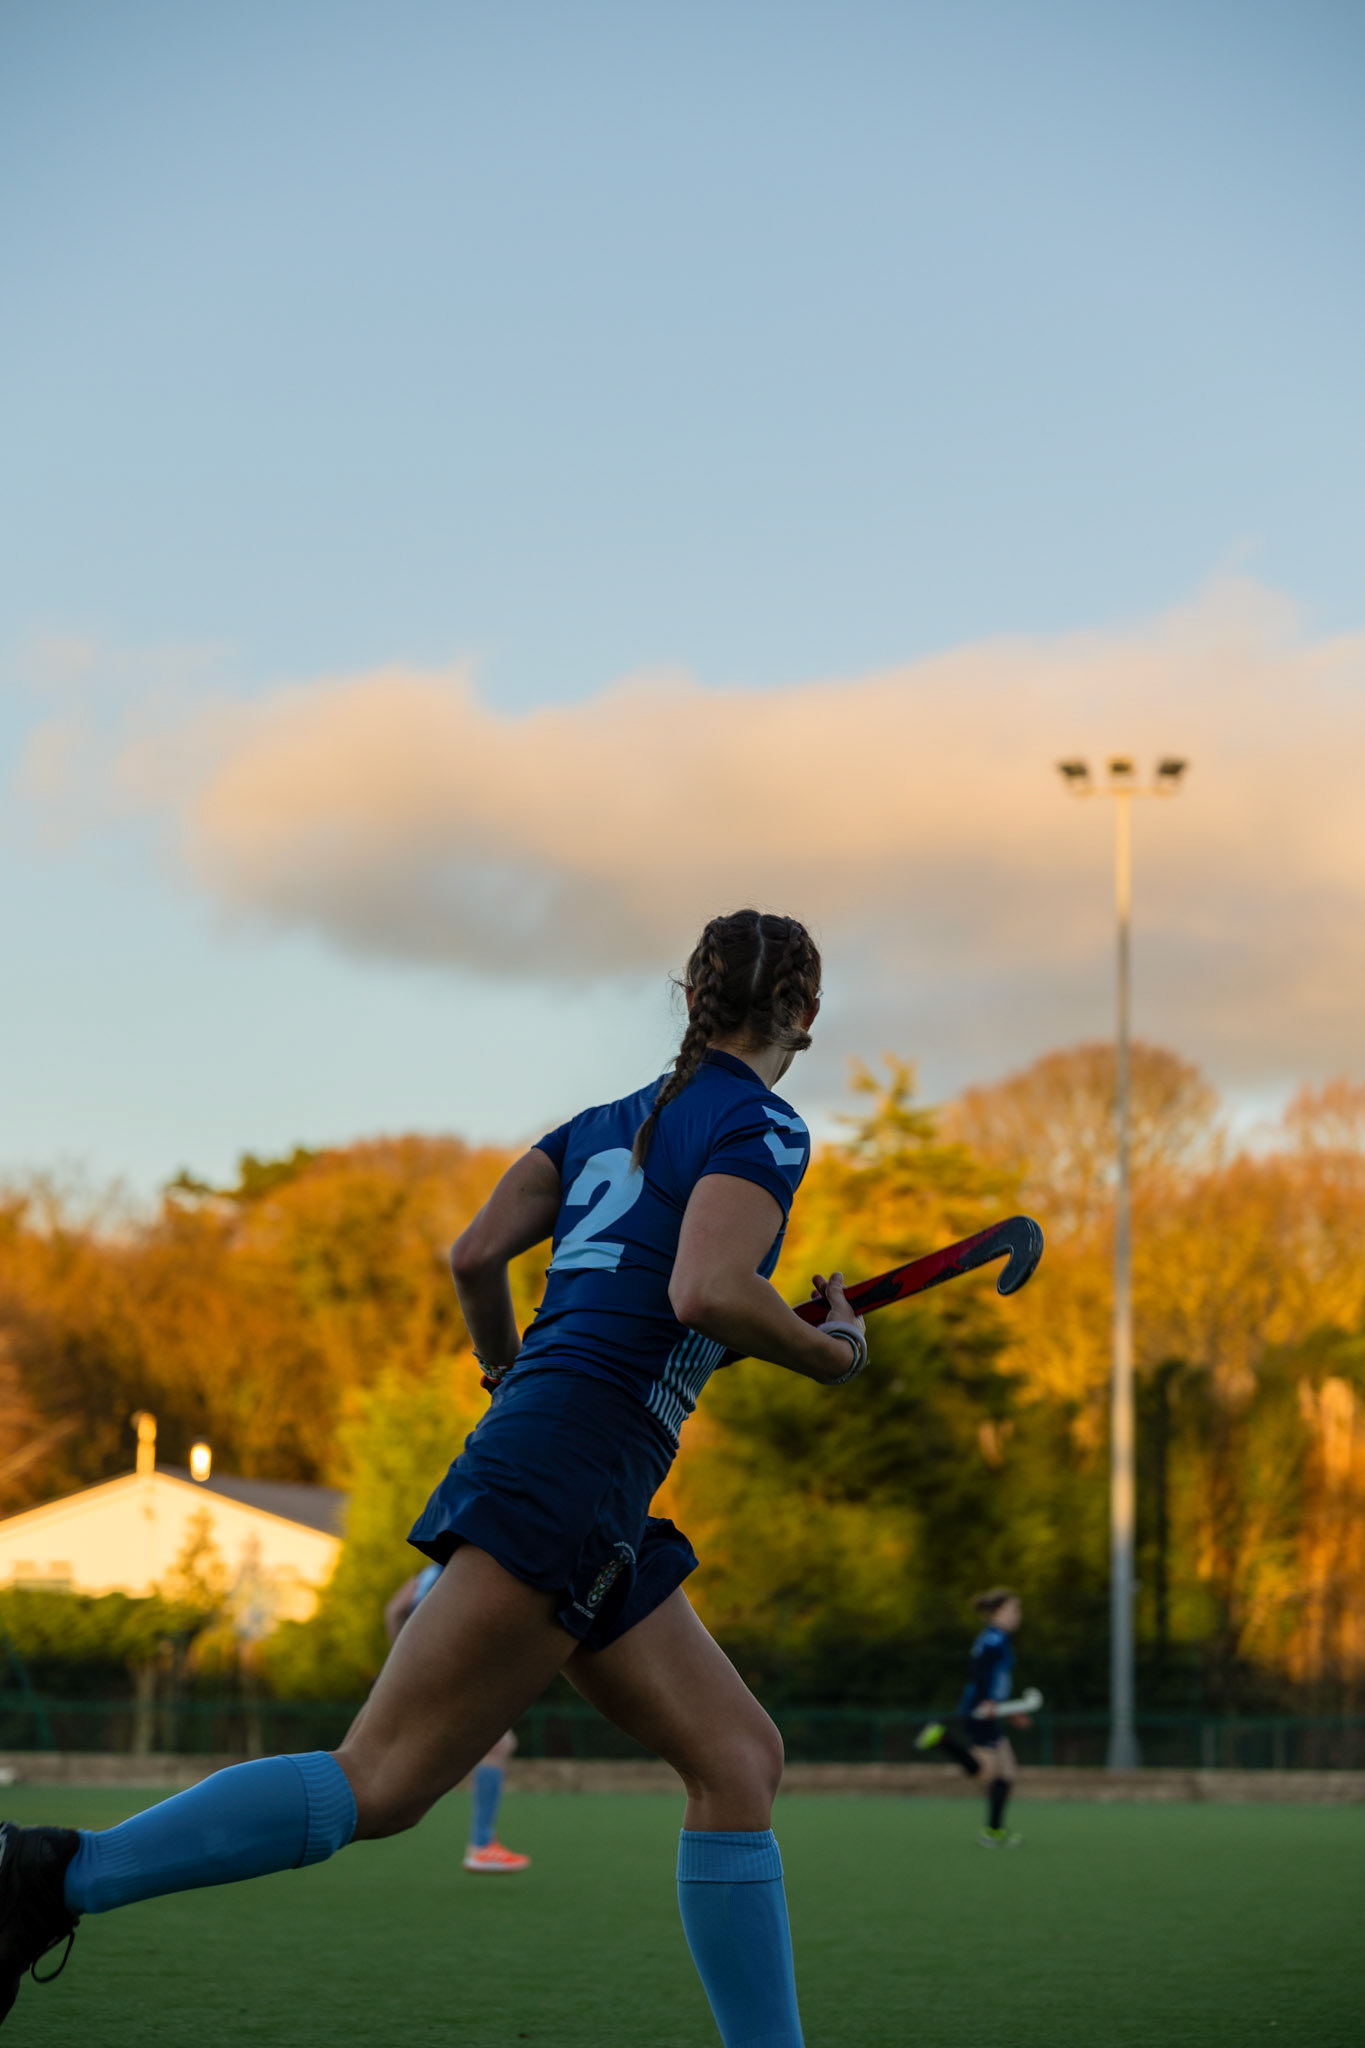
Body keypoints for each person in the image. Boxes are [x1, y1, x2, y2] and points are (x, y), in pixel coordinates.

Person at [0, 908, 866, 2048]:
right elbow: (704, 1290)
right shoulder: (760, 1123)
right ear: (803, 1012)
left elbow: (474, 1255)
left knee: (738, 1758)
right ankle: (52, 1874)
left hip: (576, 1468)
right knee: (382, 1781)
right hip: (572, 1470)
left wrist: (509, 1372)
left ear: (694, 1000)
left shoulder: (601, 1125)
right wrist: (828, 1350)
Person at [384, 1562, 529, 1873]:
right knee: (498, 1746)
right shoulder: (468, 1569)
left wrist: (401, 1660)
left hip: (420, 1670)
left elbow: (394, 1610)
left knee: (398, 1752)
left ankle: (482, 1843)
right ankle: (481, 1844)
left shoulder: (426, 1573)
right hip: (449, 1669)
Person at [916, 1587, 1027, 1846]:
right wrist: (987, 1701)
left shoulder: (1001, 1639)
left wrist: (1008, 1710)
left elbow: (999, 1679)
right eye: (1013, 1609)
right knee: (988, 1773)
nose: (1017, 1614)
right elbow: (979, 1670)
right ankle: (943, 1740)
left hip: (991, 1709)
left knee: (1006, 1772)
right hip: (980, 1710)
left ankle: (994, 1832)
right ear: (997, 1613)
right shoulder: (992, 1639)